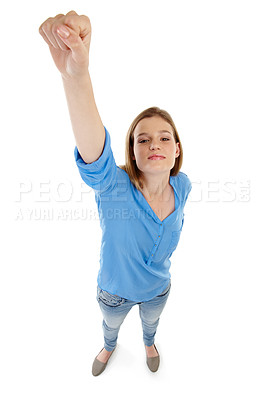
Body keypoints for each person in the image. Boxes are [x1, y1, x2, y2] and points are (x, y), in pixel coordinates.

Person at [39, 10, 192, 376]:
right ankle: (109, 346)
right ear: (133, 151)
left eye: (163, 137)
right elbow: (94, 152)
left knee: (151, 322)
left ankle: (149, 341)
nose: (153, 143)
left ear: (176, 150)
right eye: (142, 138)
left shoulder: (183, 186)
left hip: (159, 289)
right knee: (110, 326)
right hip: (114, 294)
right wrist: (76, 76)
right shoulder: (114, 187)